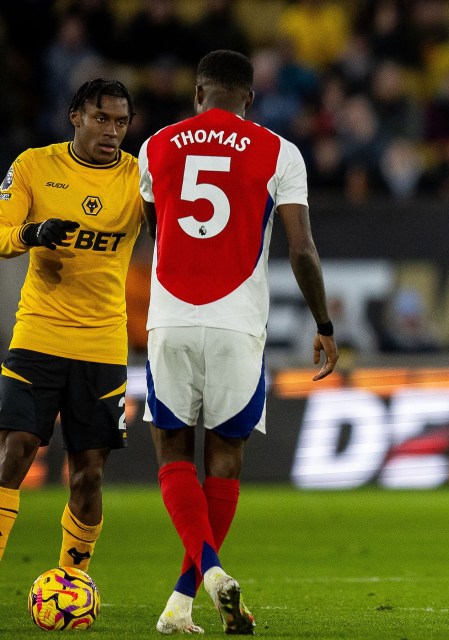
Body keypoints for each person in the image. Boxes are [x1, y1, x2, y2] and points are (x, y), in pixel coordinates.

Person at [138, 50, 339, 635]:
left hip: (170, 317)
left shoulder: (155, 146)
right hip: (238, 324)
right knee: (224, 460)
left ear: (199, 92)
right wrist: (324, 325)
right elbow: (302, 248)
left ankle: (189, 593)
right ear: (249, 98)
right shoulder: (281, 152)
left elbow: (158, 228)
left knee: (172, 452)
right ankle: (195, 587)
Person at [0, 79, 141, 573]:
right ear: (75, 116)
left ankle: (72, 580)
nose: (112, 131)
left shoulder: (138, 177)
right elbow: (0, 234)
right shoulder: (33, 165)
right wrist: (32, 233)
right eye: (102, 118)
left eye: (121, 122)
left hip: (102, 344)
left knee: (88, 476)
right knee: (14, 452)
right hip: (38, 333)